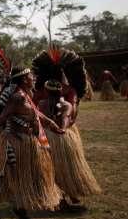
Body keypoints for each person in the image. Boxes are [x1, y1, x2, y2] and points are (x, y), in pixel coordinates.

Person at [0, 67, 62, 219]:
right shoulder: (18, 97)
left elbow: (36, 114)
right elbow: (3, 117)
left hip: (28, 142)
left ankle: (22, 212)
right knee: (20, 178)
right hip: (17, 143)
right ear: (23, 79)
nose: (33, 78)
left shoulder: (26, 95)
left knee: (30, 176)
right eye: (30, 76)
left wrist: (52, 123)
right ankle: (22, 214)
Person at [38, 80, 101, 210]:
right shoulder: (66, 104)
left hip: (47, 139)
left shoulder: (41, 104)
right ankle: (65, 197)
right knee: (67, 168)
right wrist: (63, 129)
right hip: (64, 139)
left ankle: (64, 197)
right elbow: (66, 118)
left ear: (46, 91)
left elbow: (41, 121)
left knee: (54, 170)